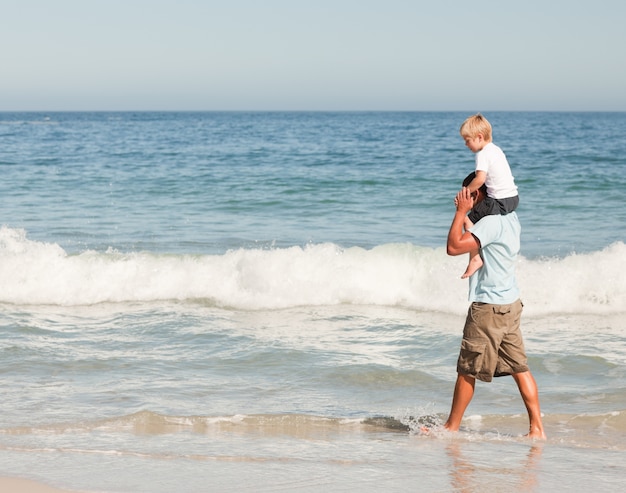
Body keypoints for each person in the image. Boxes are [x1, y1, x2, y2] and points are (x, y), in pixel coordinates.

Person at [443, 172, 546, 440]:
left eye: (469, 193)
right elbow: (476, 232)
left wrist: (460, 212)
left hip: (488, 309)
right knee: (519, 368)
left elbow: (453, 247)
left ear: (478, 194)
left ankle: (450, 428)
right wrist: (468, 213)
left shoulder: (488, 224)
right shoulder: (510, 218)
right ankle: (537, 429)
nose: (465, 197)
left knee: (467, 370)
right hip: (510, 304)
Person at [458, 114, 519, 279]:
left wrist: (465, 193)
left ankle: (475, 258)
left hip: (499, 201)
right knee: (479, 215)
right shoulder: (496, 149)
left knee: (467, 219)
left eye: (467, 140)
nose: (466, 144)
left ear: (479, 137)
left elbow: (479, 179)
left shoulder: (482, 154)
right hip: (513, 198)